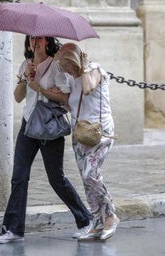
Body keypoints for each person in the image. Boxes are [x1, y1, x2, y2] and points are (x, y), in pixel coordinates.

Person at [0, 36, 93, 244]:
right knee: (19, 177)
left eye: (39, 39)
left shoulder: (55, 66)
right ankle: (13, 229)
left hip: (48, 126)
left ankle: (86, 220)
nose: (34, 42)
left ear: (47, 42)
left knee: (56, 179)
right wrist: (25, 80)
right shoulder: (25, 65)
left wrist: (39, 88)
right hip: (28, 125)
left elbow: (65, 98)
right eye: (31, 39)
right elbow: (18, 97)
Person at [55, 42, 119, 241]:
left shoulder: (95, 70)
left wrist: (83, 69)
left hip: (99, 132)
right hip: (81, 134)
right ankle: (97, 222)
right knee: (86, 178)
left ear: (74, 61)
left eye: (66, 66)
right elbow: (73, 104)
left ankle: (110, 215)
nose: (65, 70)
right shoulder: (72, 80)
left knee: (92, 174)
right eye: (62, 67)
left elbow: (89, 88)